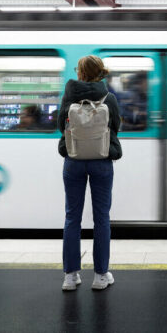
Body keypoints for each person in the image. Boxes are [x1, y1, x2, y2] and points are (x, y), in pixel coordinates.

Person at [57, 55, 122, 291]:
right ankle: (100, 275)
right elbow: (115, 126)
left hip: (73, 159)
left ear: (80, 73)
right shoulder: (109, 98)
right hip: (102, 161)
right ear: (100, 73)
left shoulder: (69, 96)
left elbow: (59, 125)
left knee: (72, 217)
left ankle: (70, 276)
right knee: (101, 218)